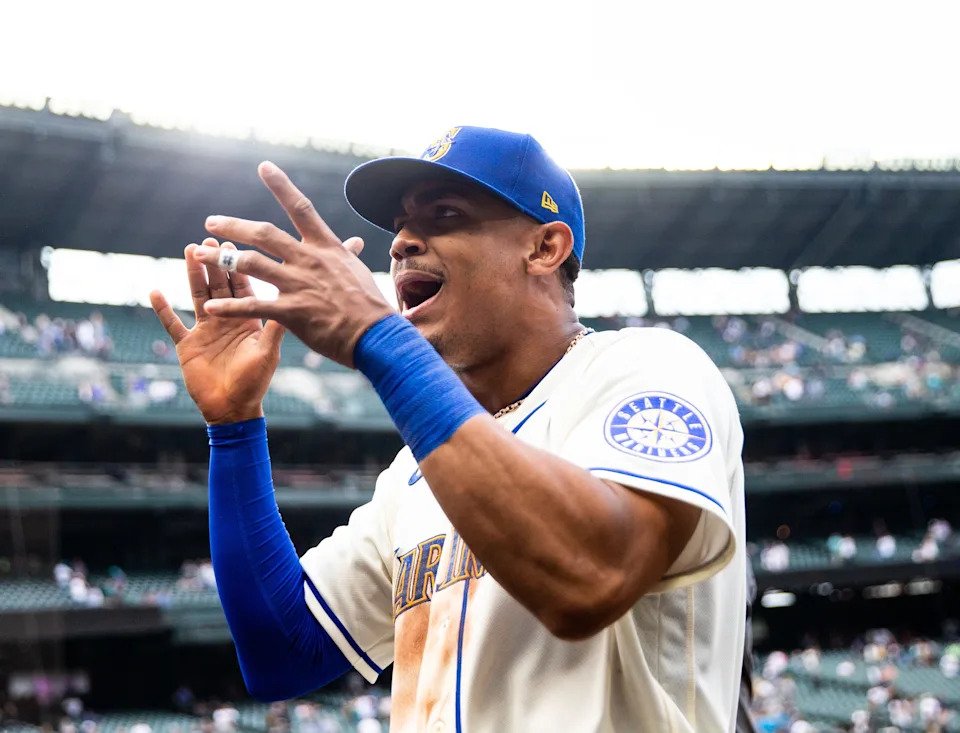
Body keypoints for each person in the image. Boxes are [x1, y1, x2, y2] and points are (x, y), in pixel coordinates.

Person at [151, 126, 747, 731]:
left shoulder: (644, 366)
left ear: (545, 248)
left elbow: (591, 578)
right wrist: (234, 429)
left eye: (445, 214)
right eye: (401, 225)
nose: (402, 242)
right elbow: (282, 652)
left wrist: (377, 336)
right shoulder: (415, 471)